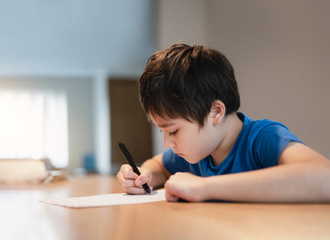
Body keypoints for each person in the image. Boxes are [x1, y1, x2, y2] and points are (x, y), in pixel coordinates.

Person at [116, 43, 330, 203]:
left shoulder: (262, 138)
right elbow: (161, 165)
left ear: (215, 112)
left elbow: (324, 177)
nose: (167, 142)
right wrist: (146, 175)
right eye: (162, 131)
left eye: (173, 130)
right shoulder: (197, 152)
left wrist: (204, 187)